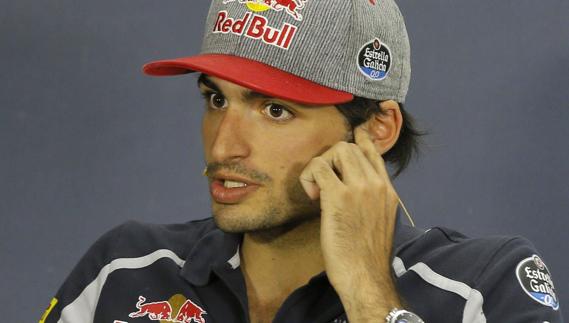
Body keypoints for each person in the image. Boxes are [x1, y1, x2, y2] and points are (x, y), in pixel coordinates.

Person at [40, 0, 562, 322]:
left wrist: (368, 294)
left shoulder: (484, 287)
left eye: (275, 110)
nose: (223, 148)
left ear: (377, 129)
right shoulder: (125, 270)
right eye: (216, 99)